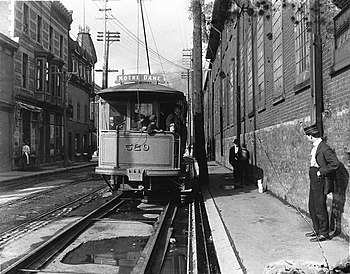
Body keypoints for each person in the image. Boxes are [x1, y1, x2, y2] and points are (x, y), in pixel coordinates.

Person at [304, 124, 341, 242]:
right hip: (314, 179)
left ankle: (324, 233)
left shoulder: (324, 147)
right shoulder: (316, 146)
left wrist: (321, 172)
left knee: (319, 206)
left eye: (307, 135)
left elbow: (335, 163)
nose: (306, 138)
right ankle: (317, 230)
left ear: (310, 136)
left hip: (320, 180)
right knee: (312, 206)